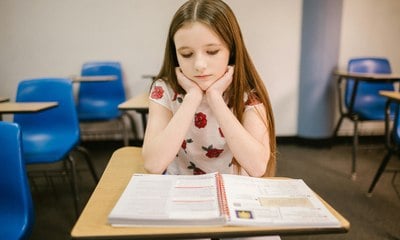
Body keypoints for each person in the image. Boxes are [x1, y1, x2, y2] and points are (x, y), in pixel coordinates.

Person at [142, 0, 276, 178]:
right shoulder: (164, 89)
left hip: (232, 192)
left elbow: (258, 167)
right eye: (186, 54)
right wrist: (192, 98)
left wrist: (215, 98)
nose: (199, 65)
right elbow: (153, 164)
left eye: (212, 51)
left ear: (232, 50)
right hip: (179, 190)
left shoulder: (248, 92)